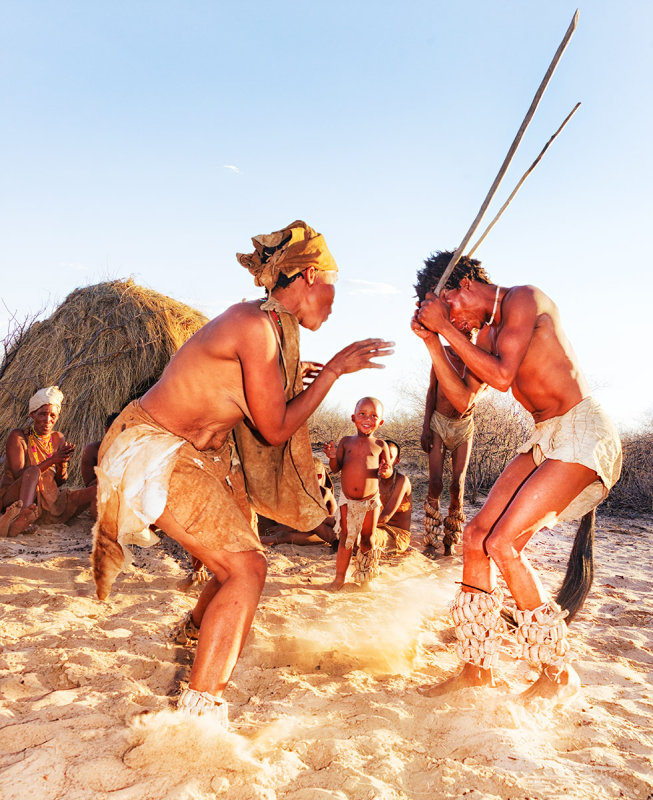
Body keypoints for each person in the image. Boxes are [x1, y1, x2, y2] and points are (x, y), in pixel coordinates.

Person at [91, 220, 393, 725]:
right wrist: (337, 371)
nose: (337, 298)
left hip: (204, 457)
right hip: (155, 448)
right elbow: (274, 429)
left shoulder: (270, 328)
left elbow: (262, 404)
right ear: (310, 276)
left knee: (243, 552)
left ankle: (194, 629)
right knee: (247, 569)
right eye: (333, 284)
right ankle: (198, 716)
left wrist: (304, 378)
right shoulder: (254, 328)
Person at [412, 250, 622, 701]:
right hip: (546, 437)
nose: (457, 323)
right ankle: (477, 669)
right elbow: (464, 400)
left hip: (583, 431)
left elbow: (504, 377)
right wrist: (433, 341)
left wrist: (445, 327)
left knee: (503, 542)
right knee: (475, 537)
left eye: (450, 308)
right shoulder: (484, 334)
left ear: (464, 286)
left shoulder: (525, 299)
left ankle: (558, 673)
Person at [0, 386, 96, 536]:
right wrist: (52, 460)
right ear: (32, 414)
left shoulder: (58, 438)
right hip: (15, 498)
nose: (48, 420)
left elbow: (59, 482)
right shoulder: (19, 437)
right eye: (42, 414)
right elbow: (20, 475)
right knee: (32, 471)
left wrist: (62, 464)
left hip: (49, 500)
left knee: (96, 490)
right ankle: (22, 518)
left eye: (53, 415)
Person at [421, 333, 480, 555]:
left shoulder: (477, 357)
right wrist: (426, 427)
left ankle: (451, 538)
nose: (466, 331)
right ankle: (430, 537)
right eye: (459, 326)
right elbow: (431, 390)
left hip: (463, 425)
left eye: (470, 329)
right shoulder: (442, 353)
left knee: (458, 484)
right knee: (435, 482)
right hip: (438, 421)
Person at [323, 396, 391, 589]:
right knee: (346, 537)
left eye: (373, 416)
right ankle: (339, 578)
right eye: (362, 414)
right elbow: (336, 468)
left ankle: (365, 576)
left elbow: (388, 471)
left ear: (381, 422)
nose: (367, 419)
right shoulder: (346, 442)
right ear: (353, 417)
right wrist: (333, 457)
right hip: (348, 500)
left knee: (368, 538)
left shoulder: (380, 445)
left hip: (371, 500)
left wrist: (386, 471)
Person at [260, 458, 338, 546]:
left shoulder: (324, 492)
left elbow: (310, 517)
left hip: (325, 531)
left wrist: (286, 527)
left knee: (284, 536)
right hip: (309, 530)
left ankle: (336, 540)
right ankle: (336, 541)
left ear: (320, 476)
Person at [375, 439, 413, 555]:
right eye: (380, 456)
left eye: (388, 457)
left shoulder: (402, 481)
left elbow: (384, 518)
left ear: (396, 461)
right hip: (376, 528)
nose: (383, 461)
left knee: (359, 534)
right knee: (324, 522)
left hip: (396, 535)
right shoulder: (374, 479)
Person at [81, 412, 120, 486]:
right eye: (116, 429)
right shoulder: (92, 451)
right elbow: (89, 485)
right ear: (107, 430)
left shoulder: (132, 449)